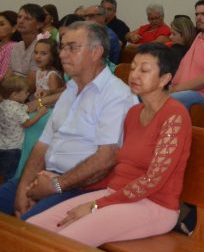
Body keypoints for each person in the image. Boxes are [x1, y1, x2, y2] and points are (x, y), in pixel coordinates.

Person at [26, 43, 190, 245]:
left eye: (144, 70)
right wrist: (63, 180)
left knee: (64, 242)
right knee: (33, 228)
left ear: (165, 78)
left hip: (154, 205)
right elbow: (119, 170)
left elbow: (153, 180)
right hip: (115, 195)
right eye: (133, 68)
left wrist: (95, 205)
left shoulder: (175, 115)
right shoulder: (134, 113)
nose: (135, 75)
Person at [0, 22, 137, 219]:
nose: (63, 54)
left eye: (72, 47)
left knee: (28, 228)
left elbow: (106, 159)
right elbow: (42, 145)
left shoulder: (117, 95)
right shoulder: (70, 90)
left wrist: (56, 185)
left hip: (81, 188)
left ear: (96, 52)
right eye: (62, 47)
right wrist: (23, 188)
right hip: (46, 177)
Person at [0, 75, 30, 180]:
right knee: (9, 175)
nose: (28, 94)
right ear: (15, 95)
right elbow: (27, 123)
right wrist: (40, 113)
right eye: (26, 92)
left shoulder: (3, 104)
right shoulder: (16, 108)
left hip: (2, 145)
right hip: (13, 148)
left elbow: (26, 108)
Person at [7, 4, 45, 78]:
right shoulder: (17, 46)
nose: (20, 21)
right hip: (12, 87)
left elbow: (31, 84)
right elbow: (8, 75)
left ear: (39, 25)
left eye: (27, 18)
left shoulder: (42, 46)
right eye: (19, 17)